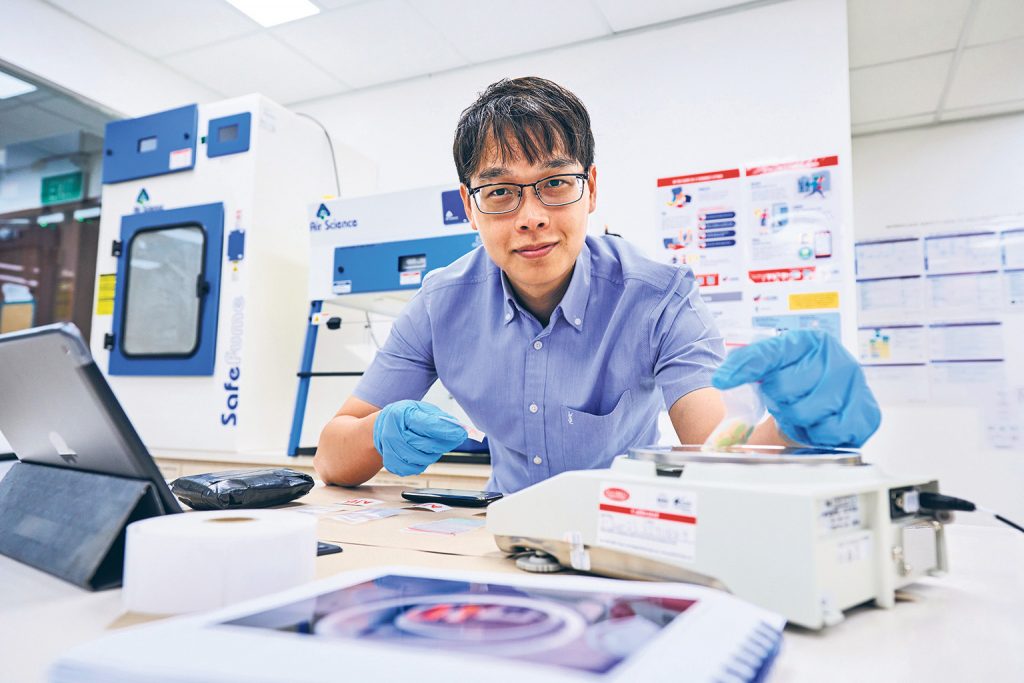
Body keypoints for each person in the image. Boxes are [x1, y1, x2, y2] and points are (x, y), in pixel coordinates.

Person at [314, 77, 880, 493]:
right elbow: (332, 458)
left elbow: (719, 451)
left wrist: (790, 430)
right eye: (500, 191)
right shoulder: (440, 303)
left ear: (591, 188)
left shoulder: (660, 298)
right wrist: (380, 432)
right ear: (469, 205)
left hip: (629, 527)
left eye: (555, 183)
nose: (531, 217)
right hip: (501, 534)